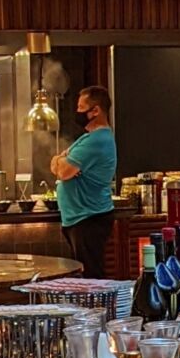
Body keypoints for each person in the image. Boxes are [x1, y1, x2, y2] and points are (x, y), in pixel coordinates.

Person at [50, 85, 117, 277]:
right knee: (84, 274)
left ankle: (99, 299)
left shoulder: (97, 140)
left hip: (89, 218)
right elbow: (57, 164)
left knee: (91, 276)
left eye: (81, 107)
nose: (77, 112)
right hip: (79, 218)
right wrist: (60, 161)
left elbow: (63, 171)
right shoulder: (87, 138)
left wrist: (61, 162)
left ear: (95, 111)